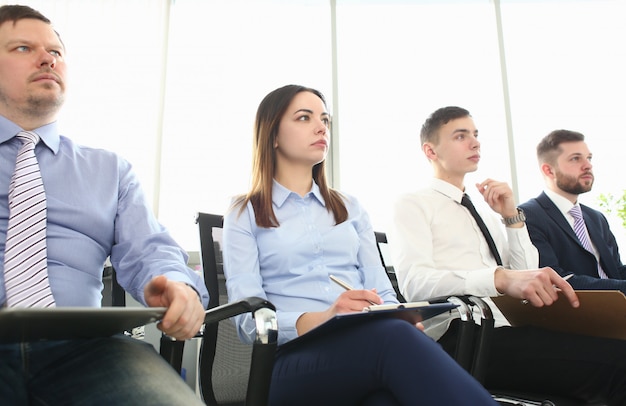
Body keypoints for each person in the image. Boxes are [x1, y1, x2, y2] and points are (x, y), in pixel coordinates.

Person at [222, 85, 497, 405]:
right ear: (273, 135)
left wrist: (399, 316)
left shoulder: (350, 208)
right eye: (304, 118)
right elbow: (246, 319)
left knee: (385, 398)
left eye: (324, 119)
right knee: (394, 341)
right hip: (290, 362)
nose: (320, 126)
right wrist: (327, 316)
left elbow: (382, 291)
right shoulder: (244, 212)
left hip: (364, 351)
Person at [0, 5, 209, 405]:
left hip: (88, 349)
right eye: (24, 48)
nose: (48, 58)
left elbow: (150, 248)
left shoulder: (109, 170)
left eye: (56, 52)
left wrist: (176, 284)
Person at [389, 105, 626, 404]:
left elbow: (527, 271)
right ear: (431, 150)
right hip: (461, 334)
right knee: (618, 363)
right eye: (461, 136)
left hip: (508, 328)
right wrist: (497, 278)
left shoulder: (486, 214)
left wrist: (511, 217)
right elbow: (415, 284)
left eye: (475, 135)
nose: (475, 142)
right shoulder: (413, 203)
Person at [519, 129, 626, 292]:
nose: (588, 165)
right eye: (576, 159)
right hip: (577, 312)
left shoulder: (596, 218)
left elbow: (616, 271)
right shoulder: (528, 215)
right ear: (548, 170)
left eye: (589, 158)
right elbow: (557, 280)